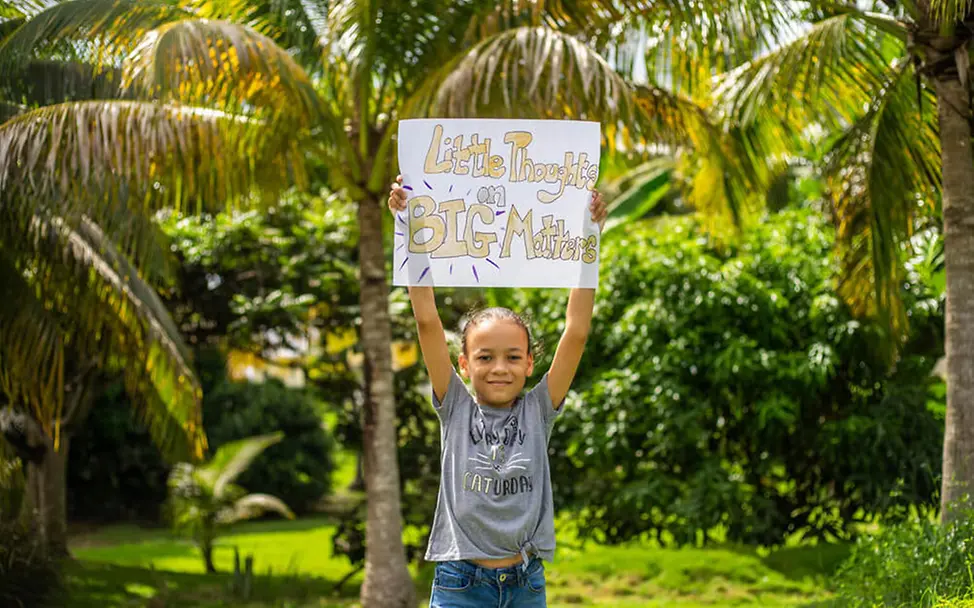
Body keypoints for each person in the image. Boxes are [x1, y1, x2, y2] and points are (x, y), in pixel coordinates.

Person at [388, 176, 606, 607]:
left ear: (529, 364)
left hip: (525, 584)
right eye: (485, 357)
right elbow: (427, 320)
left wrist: (590, 236)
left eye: (512, 357)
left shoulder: (539, 409)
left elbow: (577, 331)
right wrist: (408, 226)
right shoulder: (455, 405)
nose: (500, 368)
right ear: (464, 364)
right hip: (460, 584)